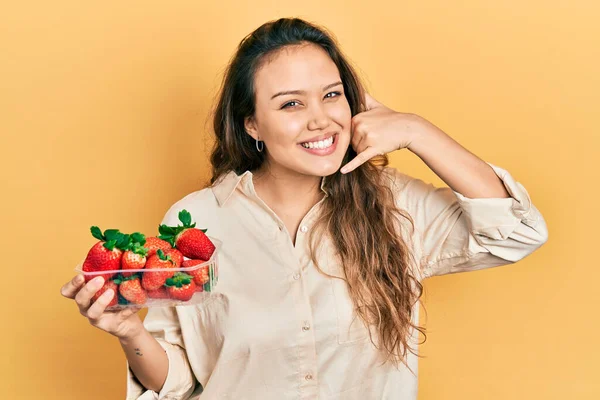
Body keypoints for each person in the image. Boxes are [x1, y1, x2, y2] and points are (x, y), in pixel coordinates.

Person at [61, 17, 548, 399]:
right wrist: (128, 331)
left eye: (332, 95)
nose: (321, 120)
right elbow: (181, 379)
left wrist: (418, 131)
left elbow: (518, 231)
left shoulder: (393, 203)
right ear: (252, 124)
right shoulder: (196, 220)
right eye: (291, 104)